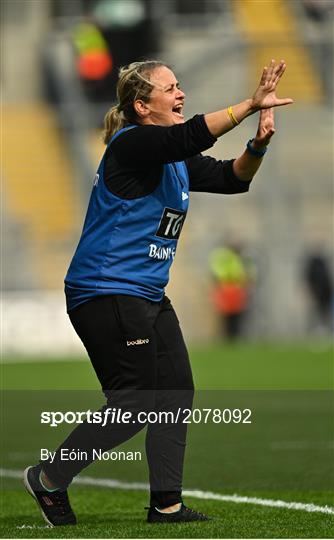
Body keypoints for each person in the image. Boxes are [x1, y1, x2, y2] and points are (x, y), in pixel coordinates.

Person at [24, 59, 292, 526]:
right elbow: (186, 136)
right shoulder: (132, 143)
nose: (180, 94)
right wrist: (249, 105)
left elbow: (234, 179)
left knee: (174, 392)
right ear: (142, 106)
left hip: (145, 293)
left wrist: (259, 146)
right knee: (134, 404)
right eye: (170, 89)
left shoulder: (172, 157)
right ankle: (48, 478)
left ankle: (165, 504)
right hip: (105, 291)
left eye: (180, 85)